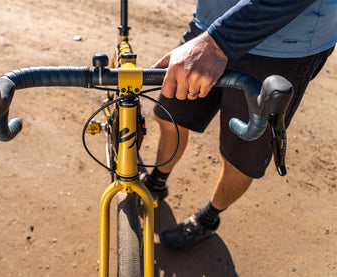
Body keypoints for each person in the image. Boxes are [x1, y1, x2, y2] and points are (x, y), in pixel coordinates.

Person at [143, 0, 337, 249]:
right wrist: (213, 37)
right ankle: (158, 181)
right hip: (210, 23)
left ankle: (208, 217)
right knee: (170, 114)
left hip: (284, 47)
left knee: (243, 156)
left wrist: (217, 43)